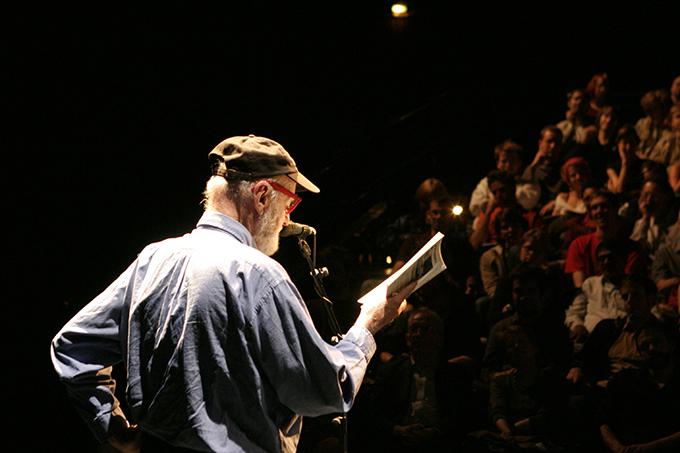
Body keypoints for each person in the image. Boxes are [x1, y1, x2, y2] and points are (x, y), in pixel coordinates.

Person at [50, 135, 415, 453]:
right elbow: (323, 392)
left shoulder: (153, 259)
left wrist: (113, 429)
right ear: (262, 195)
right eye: (289, 203)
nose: (288, 219)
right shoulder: (258, 274)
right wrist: (367, 327)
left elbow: (72, 346)